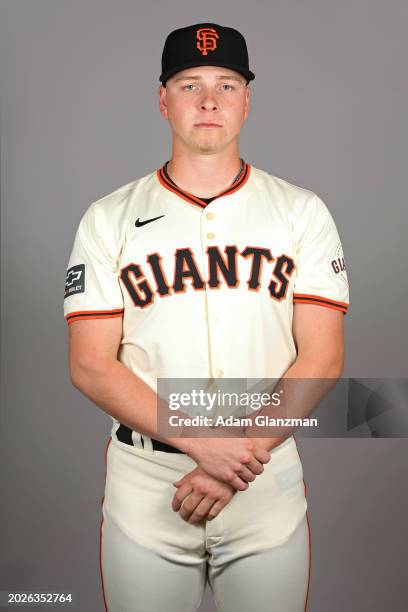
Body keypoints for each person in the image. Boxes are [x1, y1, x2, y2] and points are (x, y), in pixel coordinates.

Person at [63, 22, 349, 612]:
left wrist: (232, 456)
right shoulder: (107, 218)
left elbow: (321, 357)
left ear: (248, 99)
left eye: (226, 83)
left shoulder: (301, 212)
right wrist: (205, 442)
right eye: (190, 84)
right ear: (162, 99)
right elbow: (90, 365)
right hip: (148, 481)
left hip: (261, 475)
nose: (210, 100)